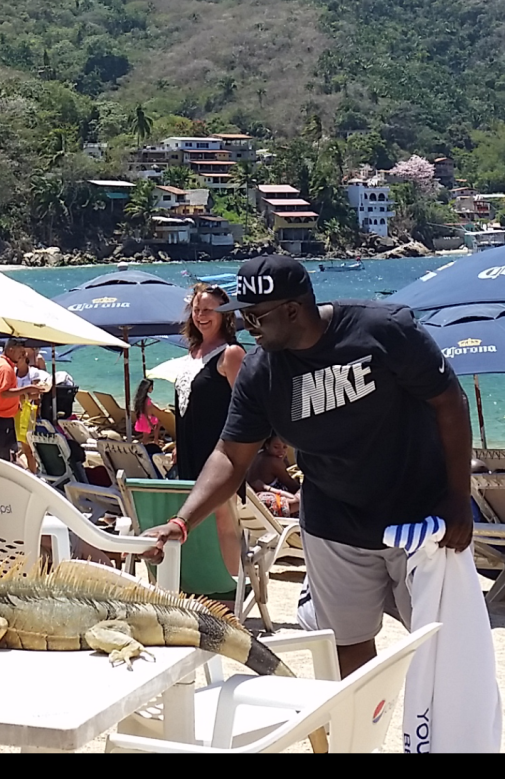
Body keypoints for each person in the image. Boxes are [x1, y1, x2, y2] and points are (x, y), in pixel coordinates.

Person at [146, 256, 473, 678]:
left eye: (256, 316)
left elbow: (449, 402)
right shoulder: (260, 373)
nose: (247, 326)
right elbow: (230, 455)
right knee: (346, 649)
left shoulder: (384, 330)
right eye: (242, 315)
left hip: (418, 519)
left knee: (442, 651)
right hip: (333, 526)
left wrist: (458, 499)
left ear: (293, 310)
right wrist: (182, 521)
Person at [174, 282, 246, 571]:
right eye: (196, 309)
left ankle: (232, 588)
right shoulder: (193, 352)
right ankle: (204, 581)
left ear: (224, 314)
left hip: (219, 451)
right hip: (189, 448)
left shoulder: (231, 353)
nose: (201, 315)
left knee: (222, 518)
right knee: (194, 519)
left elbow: (245, 408)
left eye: (208, 310)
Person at [0, 340, 36, 461]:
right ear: (10, 350)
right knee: (1, 456)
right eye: (20, 352)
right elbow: (4, 392)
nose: (22, 355)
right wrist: (28, 388)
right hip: (0, 418)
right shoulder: (5, 368)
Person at [12, 346, 51, 473]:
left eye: (18, 358)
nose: (15, 362)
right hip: (13, 411)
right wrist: (24, 394)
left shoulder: (33, 373)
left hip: (28, 414)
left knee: (28, 449)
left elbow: (37, 394)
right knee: (14, 447)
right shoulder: (12, 372)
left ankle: (33, 473)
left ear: (24, 358)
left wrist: (21, 395)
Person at [248, 432, 300, 516]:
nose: (281, 451)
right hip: (274, 505)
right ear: (267, 446)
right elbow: (293, 486)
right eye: (276, 447)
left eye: (285, 447)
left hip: (257, 502)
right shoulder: (273, 462)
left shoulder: (257, 456)